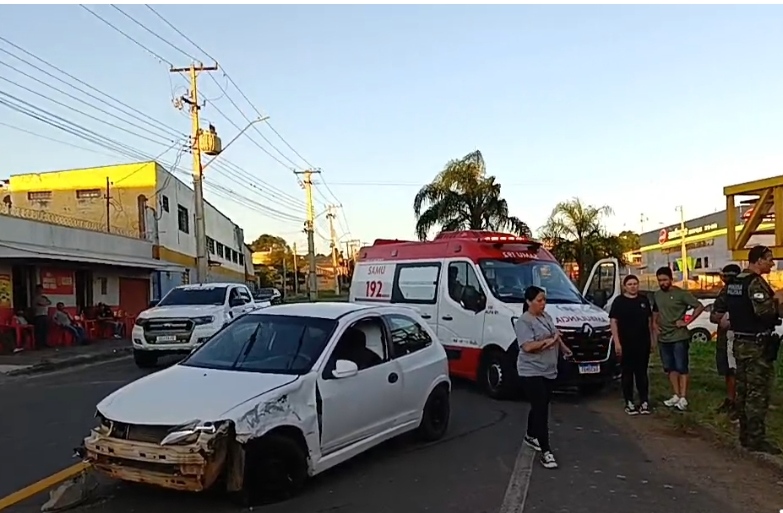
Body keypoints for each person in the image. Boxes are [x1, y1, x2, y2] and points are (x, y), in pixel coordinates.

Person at [723, 245, 783, 455]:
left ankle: (745, 436)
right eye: (769, 259)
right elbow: (764, 312)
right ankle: (756, 439)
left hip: (740, 343)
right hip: (756, 345)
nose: (772, 263)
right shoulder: (754, 283)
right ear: (758, 260)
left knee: (743, 390)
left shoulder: (735, 283)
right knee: (758, 393)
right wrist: (778, 300)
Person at [515, 285, 573, 469]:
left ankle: (530, 435)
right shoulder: (524, 321)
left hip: (549, 369)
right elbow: (528, 347)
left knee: (541, 404)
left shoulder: (546, 317)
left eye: (544, 300)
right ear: (528, 302)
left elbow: (555, 334)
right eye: (539, 301)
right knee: (541, 409)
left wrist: (563, 349)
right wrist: (550, 342)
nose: (543, 304)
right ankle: (546, 450)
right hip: (531, 370)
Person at [652, 266, 704, 411]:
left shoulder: (681, 294)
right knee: (670, 367)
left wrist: (687, 321)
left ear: (671, 279)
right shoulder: (657, 295)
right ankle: (675, 394)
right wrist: (655, 325)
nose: (662, 283)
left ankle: (683, 396)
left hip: (679, 336)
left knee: (681, 366)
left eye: (665, 280)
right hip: (664, 337)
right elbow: (655, 311)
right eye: (660, 280)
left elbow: (699, 306)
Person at [609, 275, 654, 415]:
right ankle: (629, 401)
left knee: (642, 373)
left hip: (643, 343)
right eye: (630, 284)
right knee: (627, 373)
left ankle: (644, 401)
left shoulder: (643, 300)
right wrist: (617, 342)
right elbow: (613, 322)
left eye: (635, 283)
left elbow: (650, 321)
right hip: (625, 343)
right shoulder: (619, 302)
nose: (633, 286)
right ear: (625, 286)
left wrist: (652, 340)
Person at [709, 263, 742, 419]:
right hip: (725, 334)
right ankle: (731, 399)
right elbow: (714, 315)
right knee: (728, 369)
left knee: (734, 369)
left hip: (734, 335)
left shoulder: (738, 290)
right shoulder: (727, 290)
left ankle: (736, 402)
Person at [32, 285, 51, 350]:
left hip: (45, 314)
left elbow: (49, 302)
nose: (40, 291)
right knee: (39, 331)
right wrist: (45, 303)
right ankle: (38, 344)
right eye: (39, 289)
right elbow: (40, 304)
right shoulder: (36, 298)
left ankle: (44, 343)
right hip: (38, 315)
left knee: (45, 330)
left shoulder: (44, 297)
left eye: (41, 289)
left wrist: (45, 303)